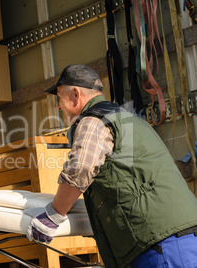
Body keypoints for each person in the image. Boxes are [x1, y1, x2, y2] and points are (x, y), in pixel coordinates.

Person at [26, 64, 197, 267]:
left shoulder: (94, 119)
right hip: (177, 236)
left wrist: (53, 215)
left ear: (75, 94)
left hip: (159, 244)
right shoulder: (129, 119)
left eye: (60, 99)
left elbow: (80, 168)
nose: (58, 107)